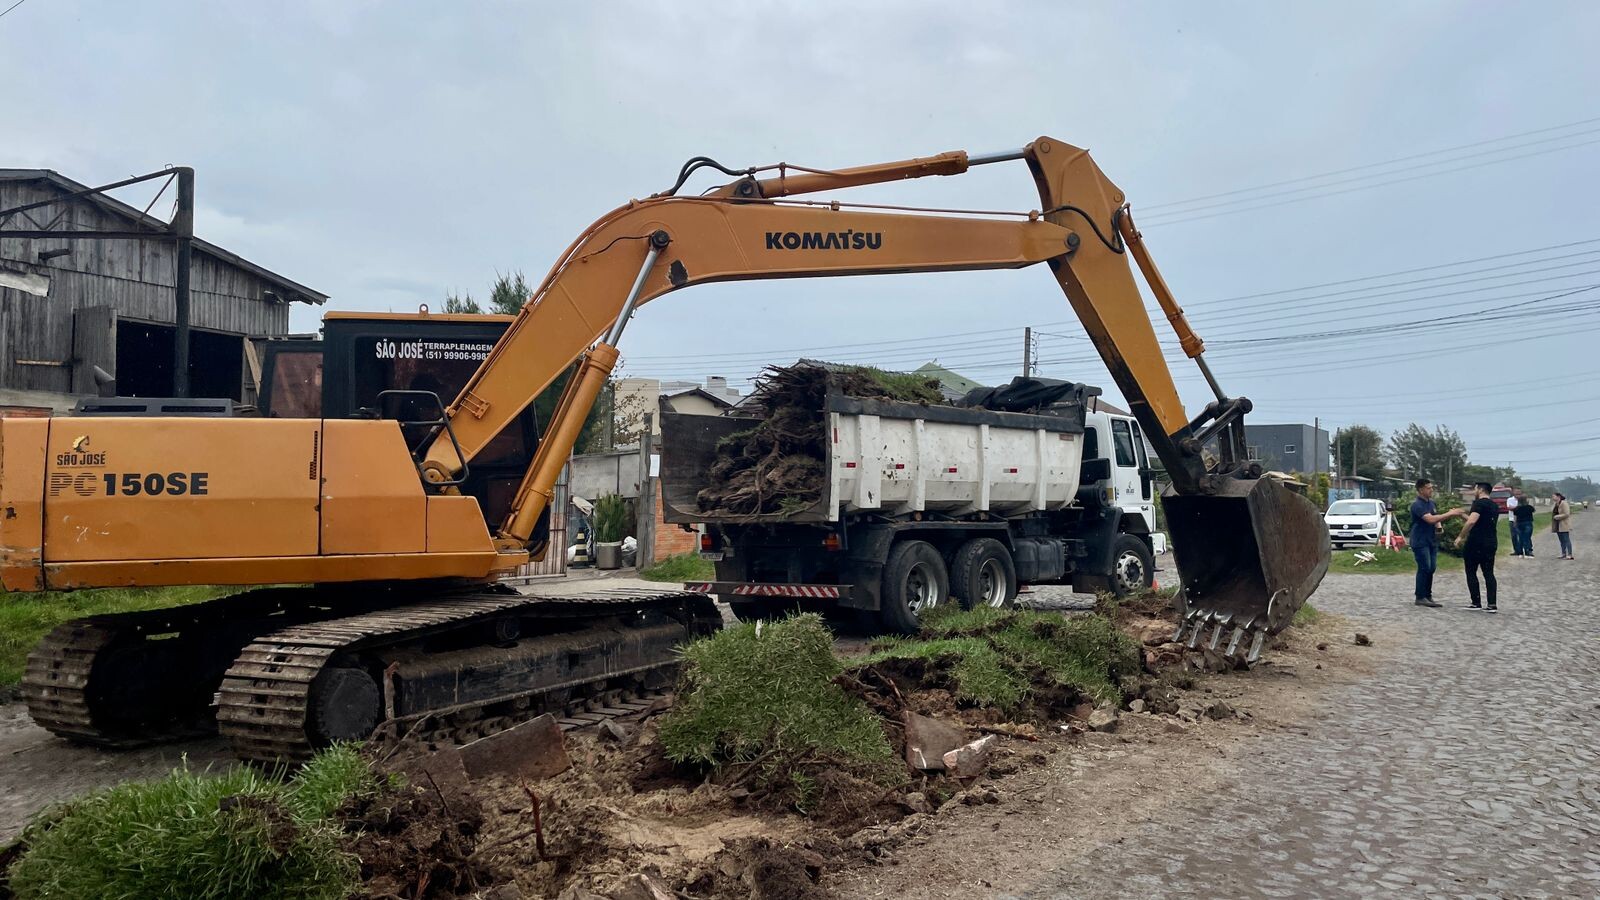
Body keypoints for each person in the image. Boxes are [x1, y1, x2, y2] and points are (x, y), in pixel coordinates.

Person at [1409, 478, 1464, 608]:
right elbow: (1429, 519)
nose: (1431, 490)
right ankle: (1420, 596)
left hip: (1431, 540)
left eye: (1431, 487)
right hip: (1420, 540)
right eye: (1428, 488)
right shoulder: (1417, 505)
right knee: (1424, 567)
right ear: (1421, 489)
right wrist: (1450, 513)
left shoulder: (1431, 503)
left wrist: (1439, 526)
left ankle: (1428, 595)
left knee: (1432, 568)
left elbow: (1435, 516)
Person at [1455, 482, 1500, 612]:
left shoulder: (1478, 504)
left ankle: (1476, 602)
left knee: (1471, 571)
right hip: (1491, 541)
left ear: (1480, 490)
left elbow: (1472, 521)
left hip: (1476, 542)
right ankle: (1492, 604)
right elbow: (1478, 520)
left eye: (1475, 489)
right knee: (1488, 573)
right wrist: (1462, 514)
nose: (1474, 492)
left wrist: (1460, 536)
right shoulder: (1494, 505)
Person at [1511, 488, 1536, 558]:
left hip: (1519, 523)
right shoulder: (1529, 507)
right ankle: (1528, 551)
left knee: (1521, 538)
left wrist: (1514, 524)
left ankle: (1520, 552)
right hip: (1528, 523)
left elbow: (1515, 517)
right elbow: (1533, 510)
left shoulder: (1516, 508)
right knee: (1527, 538)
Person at [1552, 492, 1574, 559]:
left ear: (1558, 497)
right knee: (1561, 540)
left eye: (1554, 496)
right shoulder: (1556, 504)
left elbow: (1567, 513)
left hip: (1564, 524)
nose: (1553, 498)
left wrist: (1558, 516)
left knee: (1566, 539)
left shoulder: (1564, 503)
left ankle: (1570, 554)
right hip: (1557, 524)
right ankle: (1563, 553)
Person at [1506, 490, 1524, 557]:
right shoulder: (1510, 499)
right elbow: (1509, 508)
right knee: (1514, 536)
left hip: (1521, 520)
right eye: (1516, 494)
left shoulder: (1523, 500)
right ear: (1514, 494)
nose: (1518, 495)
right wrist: (1518, 508)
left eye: (1519, 494)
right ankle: (1516, 550)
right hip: (1512, 519)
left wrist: (1515, 508)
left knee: (1521, 535)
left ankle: (1521, 550)